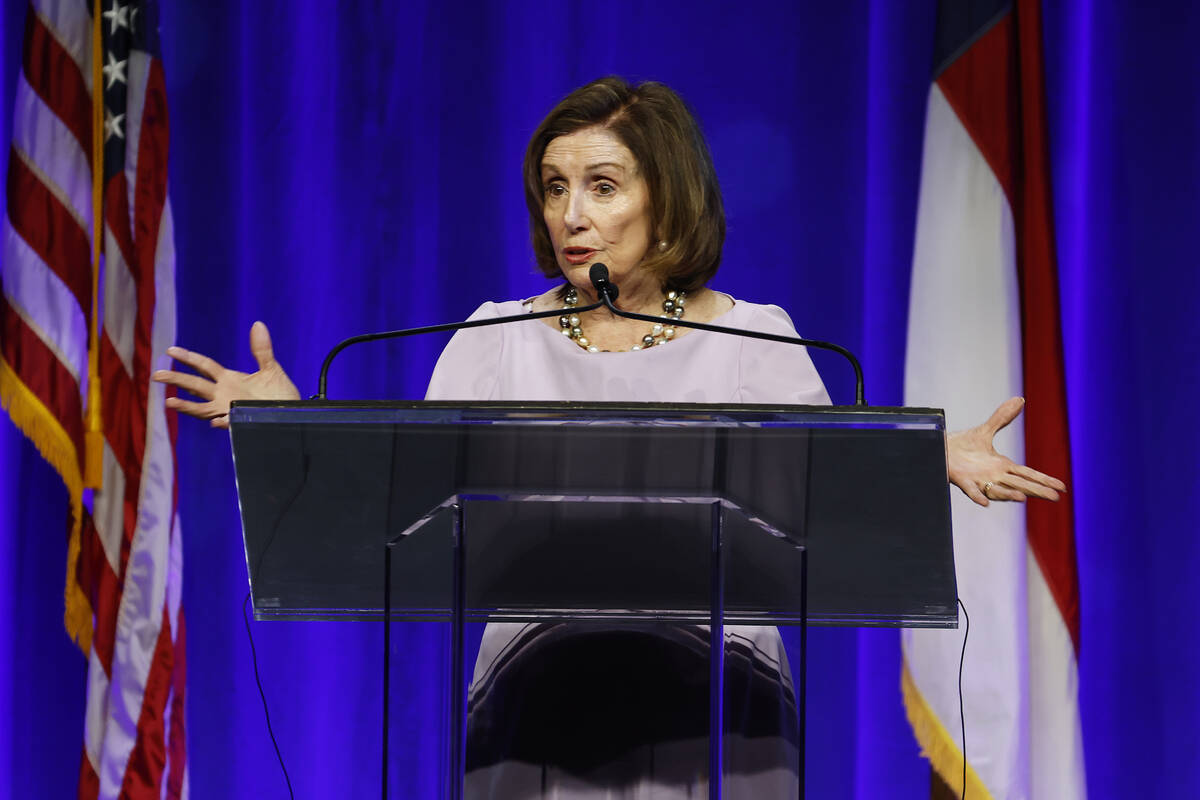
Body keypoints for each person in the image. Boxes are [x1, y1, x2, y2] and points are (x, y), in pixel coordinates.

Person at [154, 77, 1064, 797]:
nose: (571, 216)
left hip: (720, 712)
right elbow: (398, 505)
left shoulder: (757, 338)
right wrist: (288, 429)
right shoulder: (494, 337)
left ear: (666, 200)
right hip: (533, 705)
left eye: (600, 186)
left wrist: (925, 457)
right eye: (555, 189)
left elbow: (829, 494)